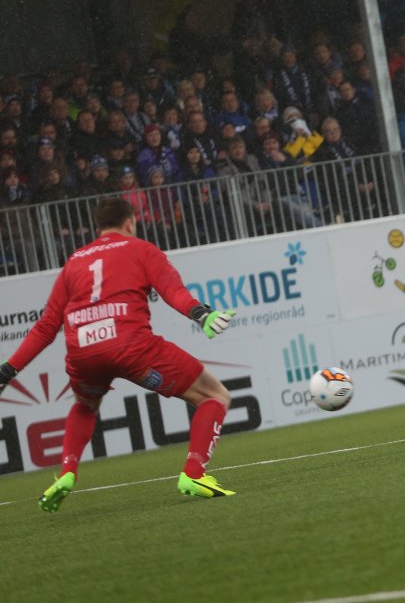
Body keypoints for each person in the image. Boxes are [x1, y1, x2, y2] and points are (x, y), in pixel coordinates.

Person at [0, 197, 238, 512]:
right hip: (131, 347)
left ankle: (68, 472)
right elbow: (173, 291)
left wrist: (7, 370)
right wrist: (200, 313)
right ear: (130, 222)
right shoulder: (142, 249)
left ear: (98, 227)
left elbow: (46, 328)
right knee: (214, 396)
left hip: (83, 351)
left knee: (85, 406)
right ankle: (194, 474)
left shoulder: (74, 261)